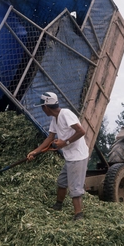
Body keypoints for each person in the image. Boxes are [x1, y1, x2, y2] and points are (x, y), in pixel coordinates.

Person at [27, 92, 89, 221]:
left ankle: (79, 215)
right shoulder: (54, 119)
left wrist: (64, 143)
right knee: (62, 182)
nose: (42, 110)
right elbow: (50, 138)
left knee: (75, 188)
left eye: (42, 107)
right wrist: (36, 151)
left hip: (78, 156)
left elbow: (81, 131)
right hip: (70, 156)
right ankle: (58, 205)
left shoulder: (65, 114)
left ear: (47, 107)